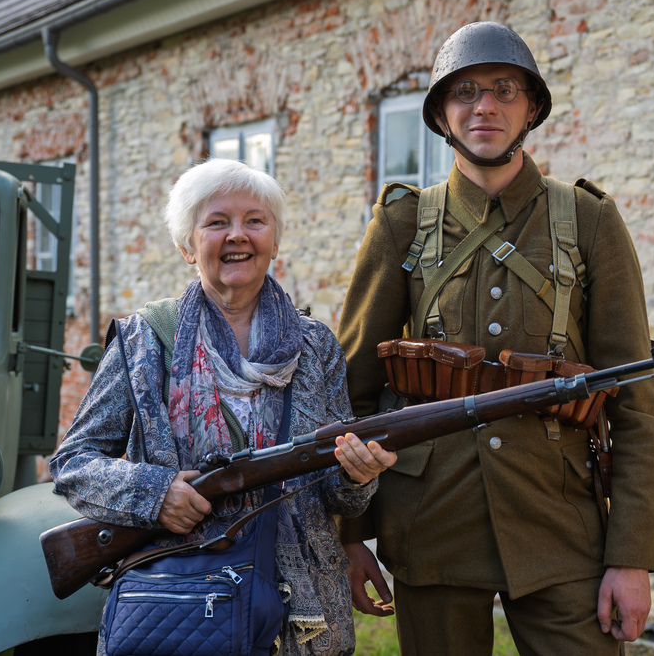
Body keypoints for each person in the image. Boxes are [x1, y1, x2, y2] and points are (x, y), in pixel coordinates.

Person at [336, 21, 654, 655]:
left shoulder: (590, 221)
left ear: (531, 108)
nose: (483, 106)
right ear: (441, 113)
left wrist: (631, 555)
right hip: (431, 523)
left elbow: (635, 403)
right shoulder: (401, 223)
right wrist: (351, 535)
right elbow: (354, 390)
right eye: (464, 91)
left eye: (504, 89)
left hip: (559, 524)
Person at [50, 158, 397, 656]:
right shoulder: (144, 340)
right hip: (182, 606)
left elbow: (340, 499)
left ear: (274, 241)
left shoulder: (316, 345)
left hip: (304, 616)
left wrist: (357, 476)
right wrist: (157, 493)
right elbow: (73, 463)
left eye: (255, 220)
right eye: (216, 222)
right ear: (187, 246)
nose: (238, 235)